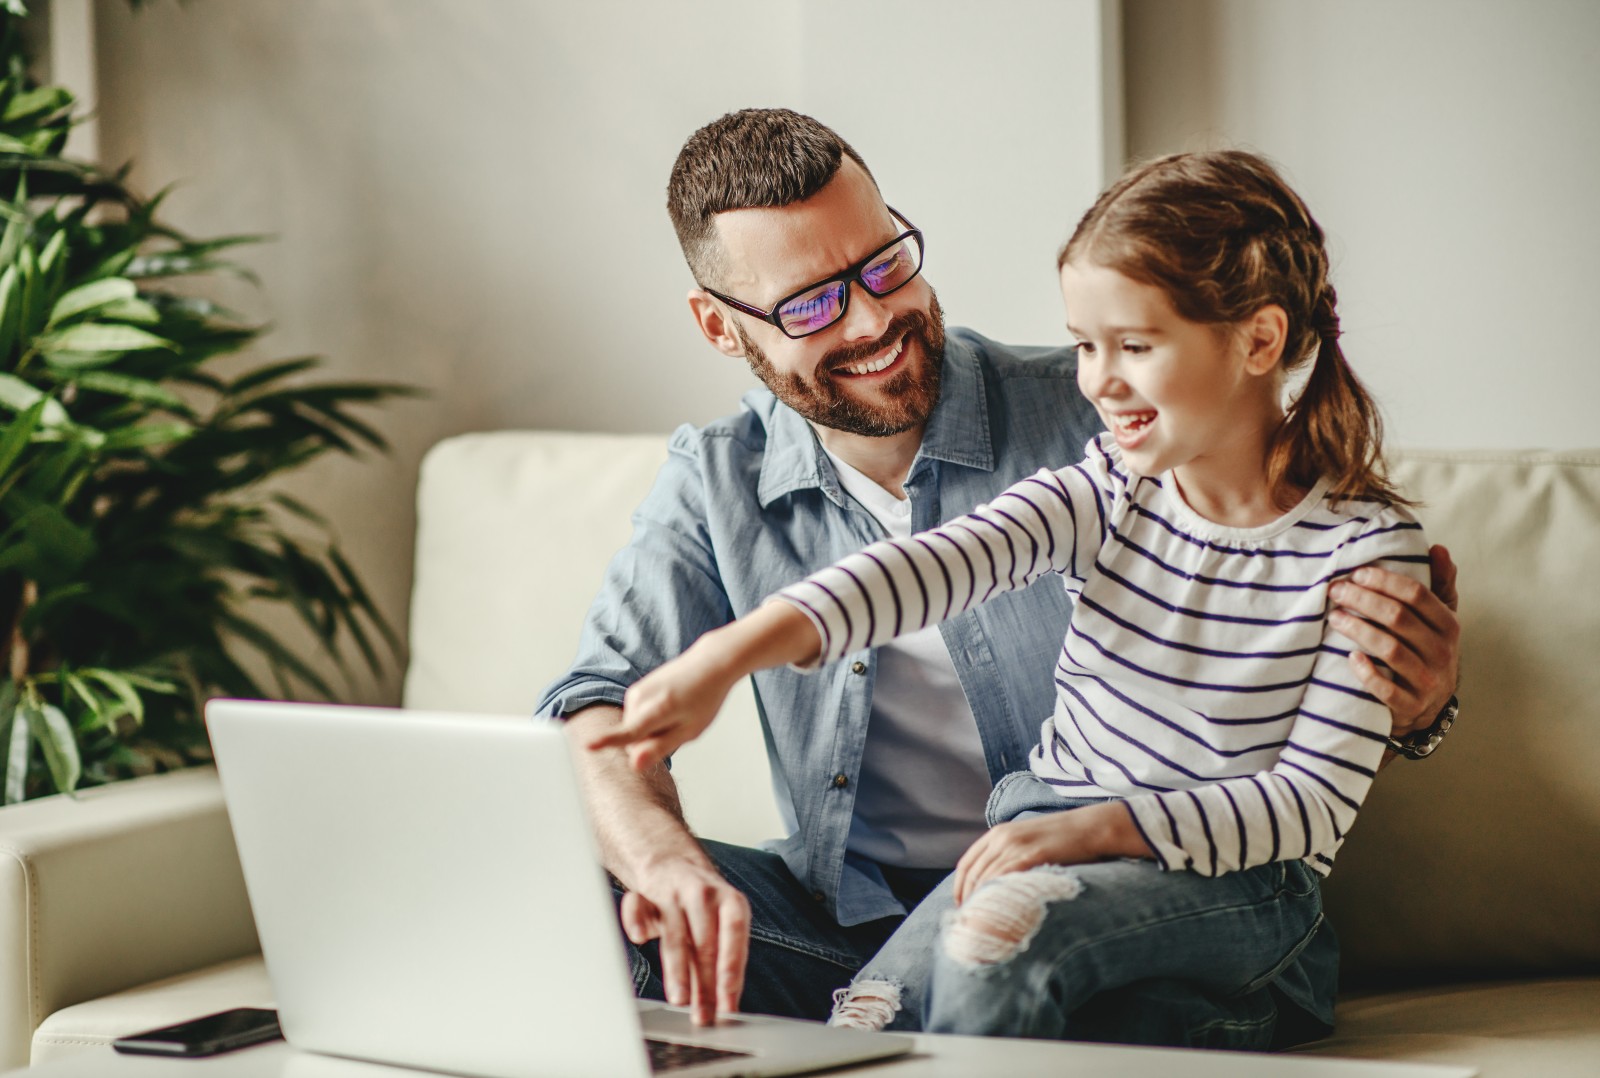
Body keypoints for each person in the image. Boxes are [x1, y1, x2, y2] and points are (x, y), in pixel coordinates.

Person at [536, 109, 1461, 1049]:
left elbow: (1298, 744)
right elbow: (601, 704)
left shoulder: (1119, 426)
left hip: (1142, 877)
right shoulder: (717, 476)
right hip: (854, 918)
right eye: (811, 304)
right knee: (572, 885)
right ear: (719, 327)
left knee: (1002, 957)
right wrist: (663, 857)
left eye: (885, 263)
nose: (873, 318)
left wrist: (1419, 710)